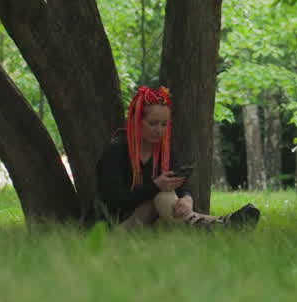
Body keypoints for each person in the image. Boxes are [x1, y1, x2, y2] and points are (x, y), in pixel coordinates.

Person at [95, 85, 259, 229]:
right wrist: (155, 185)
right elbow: (114, 200)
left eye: (164, 124)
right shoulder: (116, 151)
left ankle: (222, 225)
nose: (159, 130)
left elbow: (179, 187)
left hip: (152, 223)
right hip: (114, 227)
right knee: (162, 196)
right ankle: (222, 224)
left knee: (166, 197)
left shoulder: (165, 151)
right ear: (137, 122)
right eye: (152, 123)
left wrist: (187, 199)